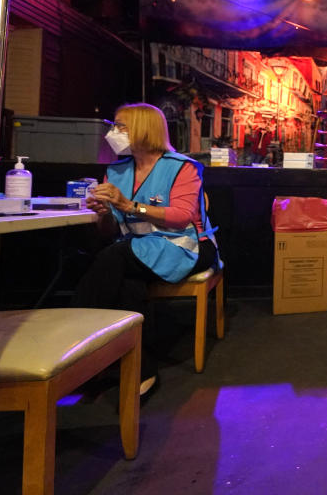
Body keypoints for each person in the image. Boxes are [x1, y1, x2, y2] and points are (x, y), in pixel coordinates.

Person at [74, 103, 219, 396]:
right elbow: (110, 231)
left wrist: (127, 205)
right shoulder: (115, 172)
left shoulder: (182, 167)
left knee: (113, 259)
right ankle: (142, 370)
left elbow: (180, 218)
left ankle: (79, 347)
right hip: (136, 249)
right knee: (128, 283)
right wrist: (103, 213)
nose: (112, 133)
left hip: (185, 246)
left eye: (120, 126)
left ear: (144, 129)